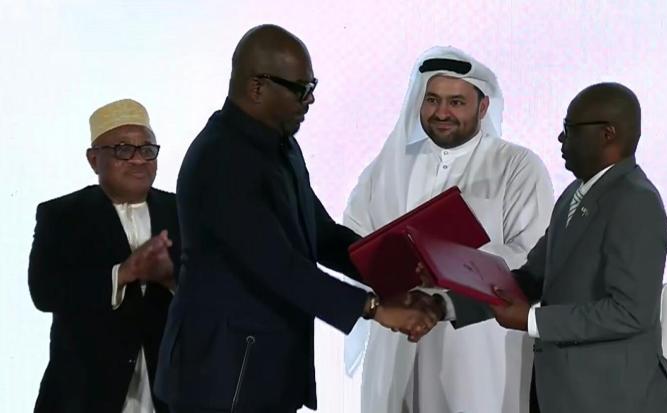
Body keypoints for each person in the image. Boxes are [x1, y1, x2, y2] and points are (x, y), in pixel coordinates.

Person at [153, 25, 439, 413]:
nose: (311, 99)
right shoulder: (220, 159)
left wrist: (395, 274)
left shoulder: (281, 146)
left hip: (264, 369)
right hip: (220, 378)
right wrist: (374, 307)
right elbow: (276, 265)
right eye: (301, 89)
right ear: (257, 87)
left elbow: (319, 234)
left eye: (312, 86)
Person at [343, 46, 554, 413]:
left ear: (483, 107)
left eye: (456, 102)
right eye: (432, 100)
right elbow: (354, 240)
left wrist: (447, 264)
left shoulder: (517, 166)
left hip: (477, 348)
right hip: (396, 341)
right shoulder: (387, 167)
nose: (442, 113)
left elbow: (530, 256)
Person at [487, 82, 667, 412]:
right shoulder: (572, 195)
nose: (560, 138)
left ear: (608, 134)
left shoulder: (637, 202)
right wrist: (453, 294)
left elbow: (630, 312)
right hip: (563, 393)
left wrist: (533, 320)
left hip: (616, 399)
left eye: (570, 129)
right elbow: (534, 277)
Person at [28, 98, 179, 413]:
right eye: (124, 149)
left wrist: (170, 278)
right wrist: (122, 274)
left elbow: (215, 291)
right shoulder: (62, 215)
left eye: (147, 150)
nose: (138, 160)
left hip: (170, 394)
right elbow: (44, 292)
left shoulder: (183, 211)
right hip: (85, 396)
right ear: (94, 160)